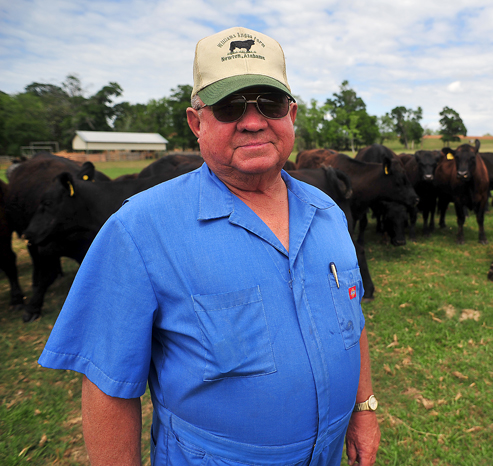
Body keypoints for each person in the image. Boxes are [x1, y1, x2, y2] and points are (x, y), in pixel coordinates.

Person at [38, 26, 380, 466]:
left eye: (269, 104)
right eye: (229, 105)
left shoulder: (329, 213)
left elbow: (353, 323)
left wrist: (364, 410)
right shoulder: (140, 229)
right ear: (196, 122)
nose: (253, 120)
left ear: (291, 114)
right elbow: (107, 388)